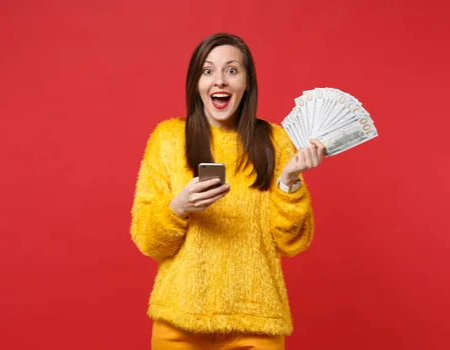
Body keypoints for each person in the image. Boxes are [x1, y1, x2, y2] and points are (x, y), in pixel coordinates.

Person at [130, 32, 325, 350]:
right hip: (179, 321)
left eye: (232, 70)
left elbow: (292, 243)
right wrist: (177, 207)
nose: (219, 80)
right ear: (196, 82)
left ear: (247, 82)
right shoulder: (167, 139)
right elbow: (150, 242)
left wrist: (289, 182)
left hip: (256, 321)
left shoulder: (275, 141)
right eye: (208, 71)